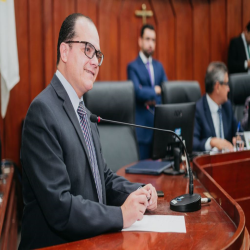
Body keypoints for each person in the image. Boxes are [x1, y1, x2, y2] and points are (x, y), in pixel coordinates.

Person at [19, 13, 157, 250]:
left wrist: (137, 192)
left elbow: (101, 177)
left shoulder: (85, 112)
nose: (95, 61)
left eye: (98, 54)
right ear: (64, 52)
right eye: (88, 50)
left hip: (92, 241)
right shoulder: (42, 112)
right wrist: (120, 216)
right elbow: (60, 208)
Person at [127, 24, 167, 160]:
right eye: (147, 39)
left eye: (153, 40)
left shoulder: (159, 66)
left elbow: (166, 91)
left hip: (159, 127)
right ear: (140, 41)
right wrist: (156, 90)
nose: (151, 43)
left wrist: (149, 92)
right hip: (142, 130)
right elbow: (137, 93)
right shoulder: (132, 66)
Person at [193, 62, 241, 152]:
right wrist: (211, 142)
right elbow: (193, 143)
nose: (229, 89)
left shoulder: (227, 106)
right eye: (227, 84)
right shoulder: (198, 109)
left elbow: (238, 130)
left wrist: (238, 137)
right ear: (217, 86)